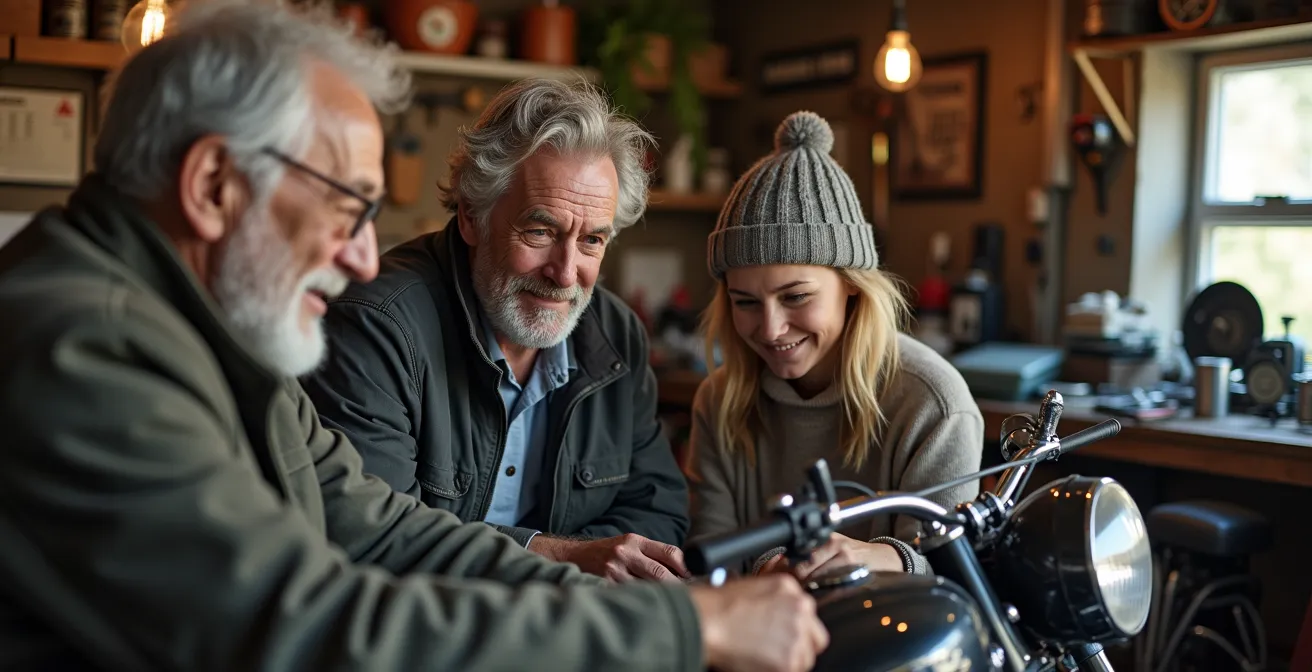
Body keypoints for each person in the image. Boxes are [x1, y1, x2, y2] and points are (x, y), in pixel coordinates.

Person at [0, 2, 829, 669]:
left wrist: (666, 605)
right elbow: (304, 626)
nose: (365, 256)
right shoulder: (85, 345)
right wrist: (686, 635)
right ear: (214, 184)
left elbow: (384, 525)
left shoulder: (200, 332)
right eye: (346, 205)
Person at [302, 77, 691, 583]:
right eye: (540, 231)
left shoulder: (617, 333)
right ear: (471, 216)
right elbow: (368, 536)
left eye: (593, 240)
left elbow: (659, 514)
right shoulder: (377, 325)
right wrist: (556, 557)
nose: (566, 272)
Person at [685, 111, 985, 580]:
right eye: (745, 301)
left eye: (796, 297)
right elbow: (710, 563)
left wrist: (886, 559)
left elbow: (954, 574)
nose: (770, 328)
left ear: (852, 285)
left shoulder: (932, 403)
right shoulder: (720, 401)